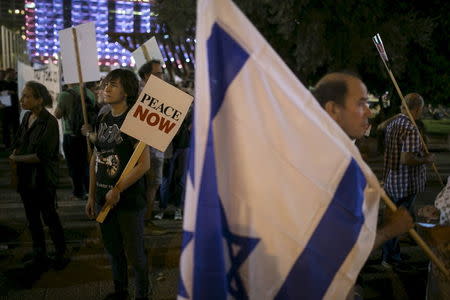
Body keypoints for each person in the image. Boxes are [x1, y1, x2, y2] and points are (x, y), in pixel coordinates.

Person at [312, 72, 415, 250]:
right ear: (333, 109)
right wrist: (390, 230)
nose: (368, 111)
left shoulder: (330, 152)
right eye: (361, 103)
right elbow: (339, 252)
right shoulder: (332, 167)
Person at [85, 69, 150, 300]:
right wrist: (91, 195)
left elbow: (143, 164)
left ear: (127, 90)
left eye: (113, 85)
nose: (106, 89)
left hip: (129, 201)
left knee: (135, 255)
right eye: (105, 84)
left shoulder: (136, 120)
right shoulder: (103, 118)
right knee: (114, 251)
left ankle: (143, 294)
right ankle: (121, 291)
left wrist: (119, 189)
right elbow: (96, 157)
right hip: (104, 198)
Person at [9, 81, 68, 271]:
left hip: (42, 180)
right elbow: (19, 140)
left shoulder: (49, 123)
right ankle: (39, 252)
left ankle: (61, 252)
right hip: (26, 179)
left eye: (27, 96)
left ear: (39, 100)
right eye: (23, 95)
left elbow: (41, 156)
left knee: (49, 217)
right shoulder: (27, 117)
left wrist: (16, 158)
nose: (22, 99)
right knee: (32, 218)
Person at [382, 93, 434, 268]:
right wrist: (426, 160)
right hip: (405, 184)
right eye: (422, 108)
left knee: (393, 219)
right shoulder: (411, 128)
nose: (423, 111)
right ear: (418, 108)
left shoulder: (394, 123)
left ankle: (392, 254)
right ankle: (390, 259)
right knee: (397, 223)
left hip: (392, 180)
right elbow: (406, 159)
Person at [137, 60, 168, 234]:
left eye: (161, 73)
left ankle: (144, 221)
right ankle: (145, 221)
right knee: (149, 185)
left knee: (152, 185)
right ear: (146, 76)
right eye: (157, 74)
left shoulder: (159, 92)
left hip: (156, 147)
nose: (161, 77)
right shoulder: (141, 94)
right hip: (147, 149)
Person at [55, 83, 96, 201]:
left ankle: (78, 192)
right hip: (87, 134)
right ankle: (90, 191)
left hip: (71, 134)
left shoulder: (64, 95)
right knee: (87, 163)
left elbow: (58, 115)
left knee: (74, 165)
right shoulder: (89, 93)